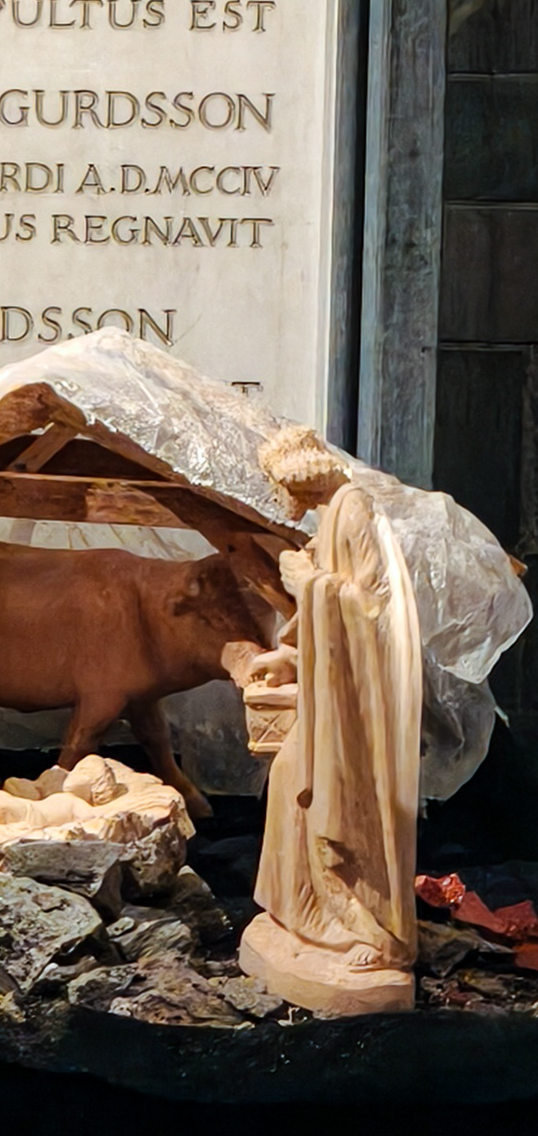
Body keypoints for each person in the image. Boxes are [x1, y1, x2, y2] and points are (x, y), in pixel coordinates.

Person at [236, 431, 421, 1013]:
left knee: (334, 802)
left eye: (282, 485)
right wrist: (289, 657)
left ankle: (374, 933)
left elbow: (371, 610)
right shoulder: (331, 514)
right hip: (331, 695)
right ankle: (299, 917)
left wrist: (306, 583)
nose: (282, 497)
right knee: (290, 785)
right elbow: (327, 624)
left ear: (301, 475)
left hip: (359, 708)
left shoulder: (356, 508)